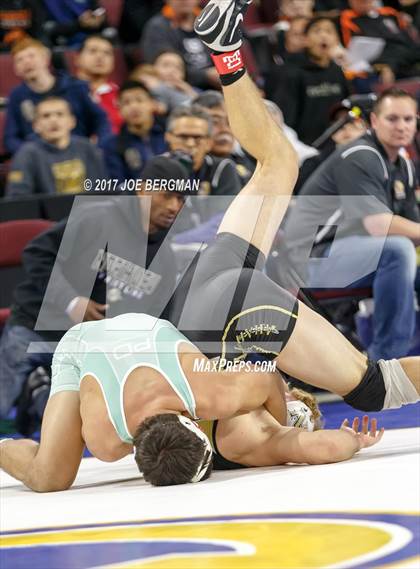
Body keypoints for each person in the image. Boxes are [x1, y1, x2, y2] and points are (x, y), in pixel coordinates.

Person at [1, 0, 418, 491]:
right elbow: (46, 468)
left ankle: (226, 51)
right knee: (276, 163)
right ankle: (227, 53)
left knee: (375, 387)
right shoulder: (112, 433)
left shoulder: (211, 414)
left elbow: (268, 390)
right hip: (199, 293)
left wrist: (291, 411)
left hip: (220, 315)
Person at [0, 153, 192, 427]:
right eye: (167, 195)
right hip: (37, 328)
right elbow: (36, 253)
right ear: (143, 188)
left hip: (89, 349)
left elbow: (156, 318)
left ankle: (39, 393)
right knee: (4, 416)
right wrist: (70, 300)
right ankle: (34, 392)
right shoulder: (96, 217)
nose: (174, 206)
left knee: (75, 426)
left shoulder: (165, 259)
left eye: (182, 199)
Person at [281, 87, 420, 360]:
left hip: (352, 256)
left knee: (399, 250)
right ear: (374, 122)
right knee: (396, 250)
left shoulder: (403, 165)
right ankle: (386, 364)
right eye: (392, 119)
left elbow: (412, 229)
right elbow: (379, 226)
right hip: (307, 262)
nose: (401, 126)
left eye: (408, 119)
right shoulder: (360, 155)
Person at [3, 37, 111, 155]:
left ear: (46, 59)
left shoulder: (75, 87)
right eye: (20, 60)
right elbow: (10, 138)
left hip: (79, 153)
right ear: (16, 69)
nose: (26, 62)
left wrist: (100, 146)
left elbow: (101, 120)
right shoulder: (17, 96)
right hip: (40, 161)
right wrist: (30, 155)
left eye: (31, 56)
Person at [268, 16, 350, 145]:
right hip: (303, 147)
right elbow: (285, 120)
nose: (323, 36)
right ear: (305, 39)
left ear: (337, 40)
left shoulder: (337, 71)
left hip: (337, 143)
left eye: (329, 31)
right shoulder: (291, 72)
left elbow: (348, 107)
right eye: (317, 31)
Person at [5, 96, 106, 197]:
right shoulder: (26, 154)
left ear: (72, 121)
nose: (53, 120)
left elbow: (102, 189)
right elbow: (17, 198)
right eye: (46, 116)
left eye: (60, 114)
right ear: (35, 125)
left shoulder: (87, 148)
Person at [140, 0, 219, 89]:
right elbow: (163, 68)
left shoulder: (210, 22)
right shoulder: (157, 27)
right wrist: (205, 75)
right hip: (178, 88)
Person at [100, 81, 166, 184]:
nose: (134, 107)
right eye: (126, 102)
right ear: (119, 109)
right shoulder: (111, 145)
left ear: (152, 104)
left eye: (139, 100)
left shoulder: (169, 134)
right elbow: (118, 185)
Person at [338, 0, 420, 83]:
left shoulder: (389, 13)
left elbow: (407, 41)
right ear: (351, 2)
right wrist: (386, 66)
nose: (365, 3)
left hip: (406, 61)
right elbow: (358, 52)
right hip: (378, 68)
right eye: (361, 1)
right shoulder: (348, 18)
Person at [75, 35, 123, 133]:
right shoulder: (66, 91)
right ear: (77, 59)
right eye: (93, 51)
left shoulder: (121, 95)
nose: (100, 57)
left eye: (107, 53)